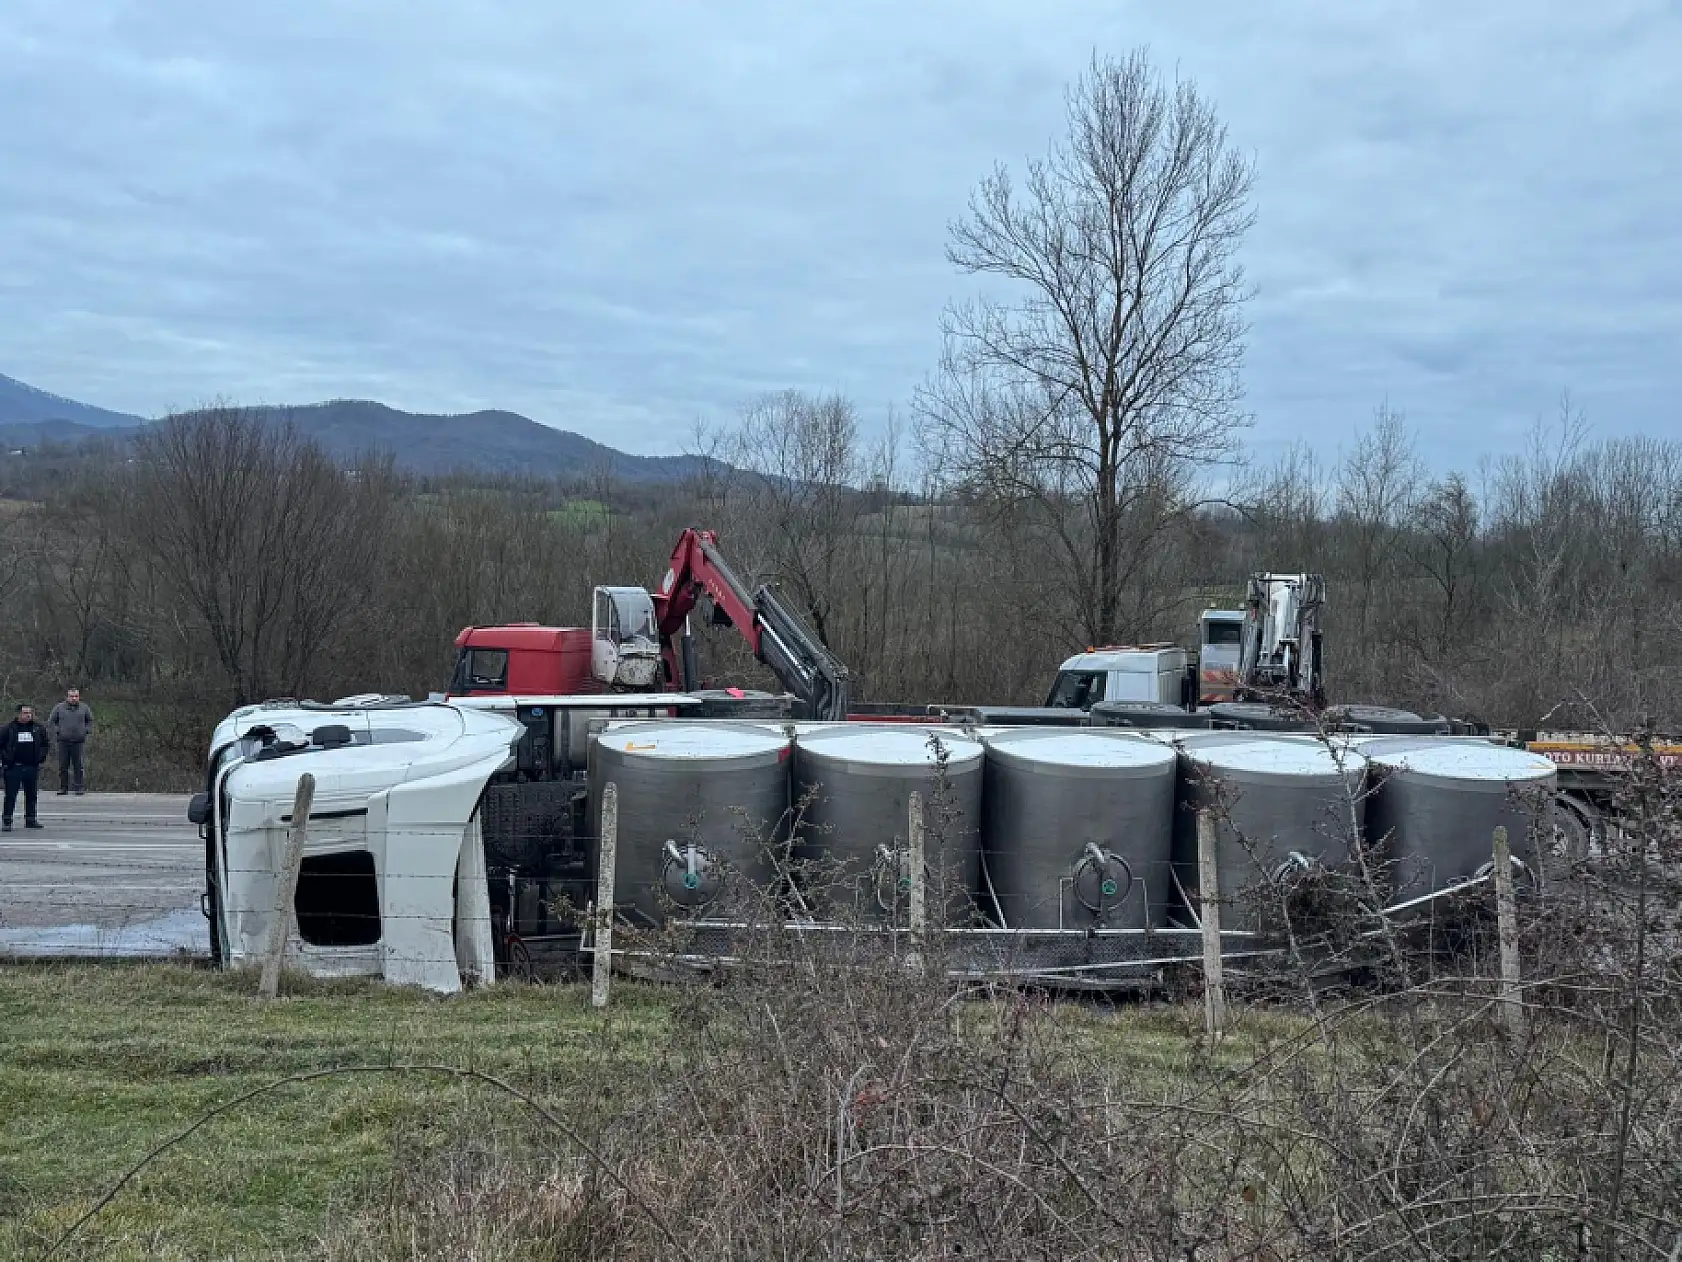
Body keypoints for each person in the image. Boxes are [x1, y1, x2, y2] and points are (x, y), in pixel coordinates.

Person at [1, 703, 52, 831]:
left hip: (31, 767)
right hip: (14, 767)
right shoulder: (8, 728)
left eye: (30, 712)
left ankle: (30, 819)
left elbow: (45, 744)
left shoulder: (37, 728)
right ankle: (7, 821)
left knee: (31, 794)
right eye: (25, 713)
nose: (28, 715)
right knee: (11, 795)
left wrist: (40, 757)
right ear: (19, 714)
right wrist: (5, 760)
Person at [48, 686, 94, 796]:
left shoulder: (84, 708)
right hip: (63, 741)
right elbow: (52, 721)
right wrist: (58, 731)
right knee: (63, 766)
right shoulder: (59, 708)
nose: (74, 698)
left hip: (78, 741)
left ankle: (79, 787)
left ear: (79, 697)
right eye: (71, 696)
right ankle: (63, 788)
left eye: (76, 696)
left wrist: (86, 731)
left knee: (78, 766)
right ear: (67, 697)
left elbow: (90, 721)